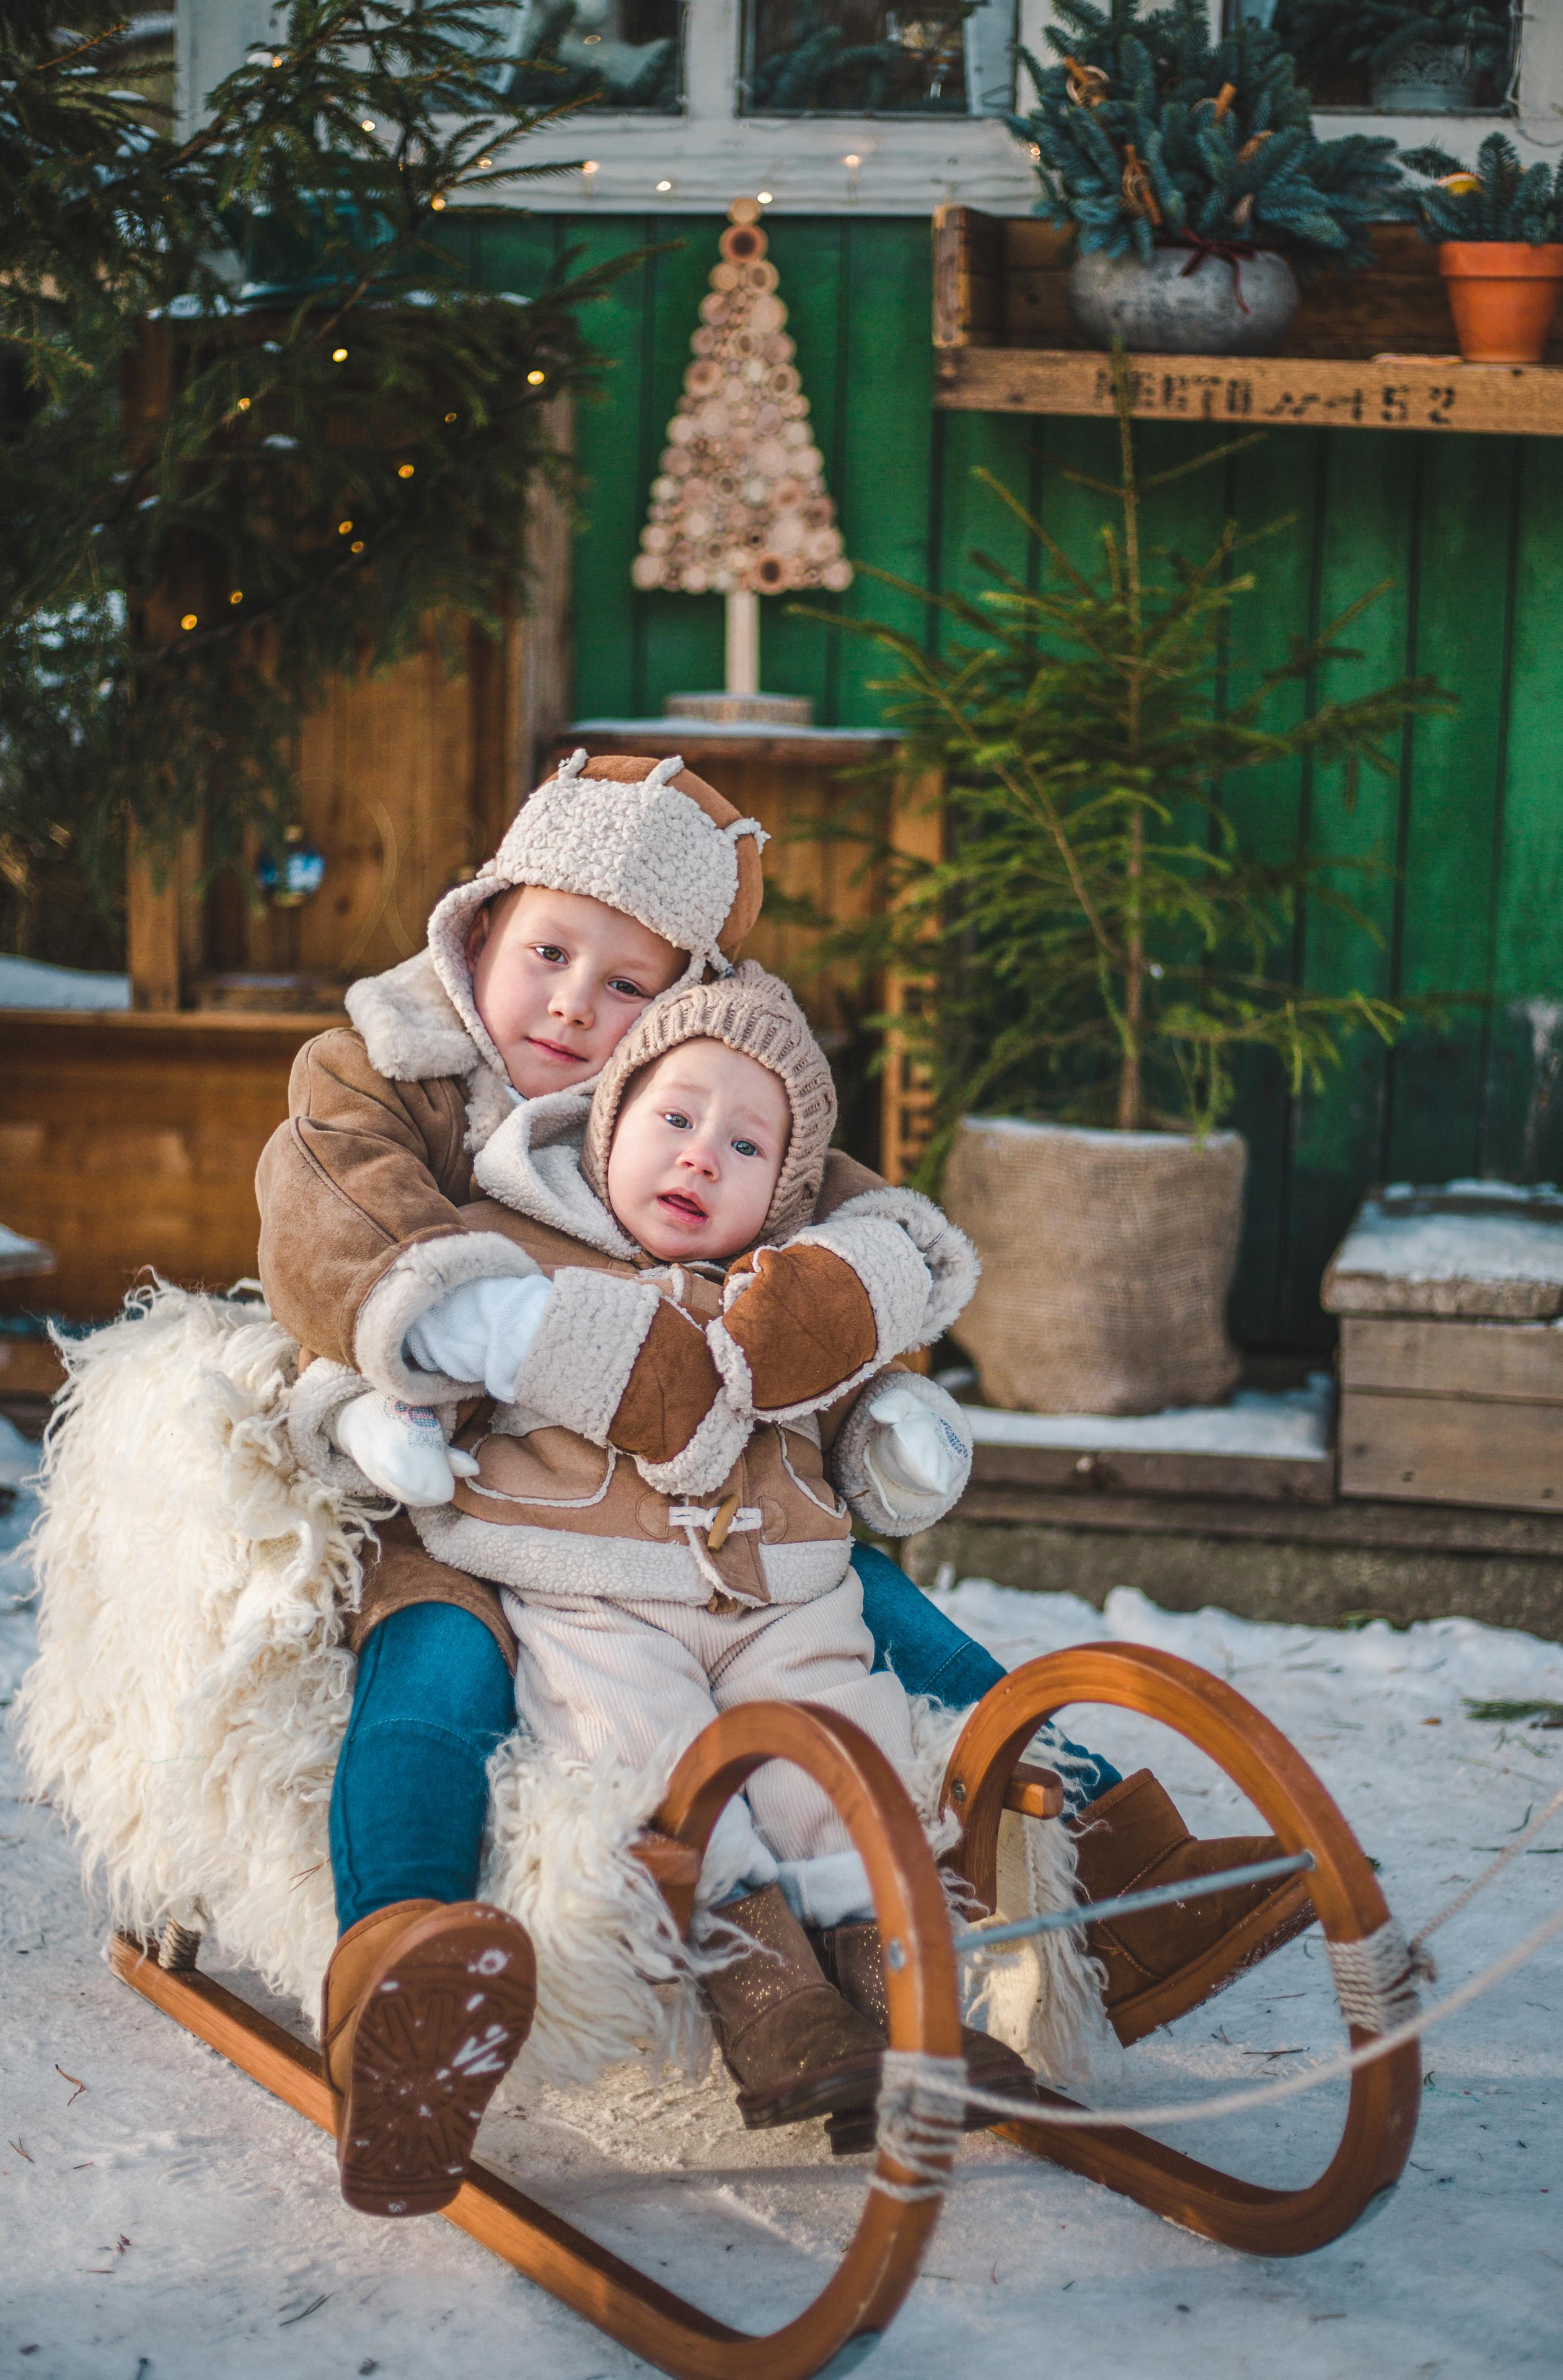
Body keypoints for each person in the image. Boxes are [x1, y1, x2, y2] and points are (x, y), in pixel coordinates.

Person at [257, 748, 1313, 2217]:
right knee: (434, 1673)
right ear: (478, 928)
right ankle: (406, 1982)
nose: (573, 1004)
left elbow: (826, 1205)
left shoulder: (687, 1099)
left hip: (706, 1504)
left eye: (627, 985)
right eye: (548, 952)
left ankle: (1102, 1866)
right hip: (466, 1484)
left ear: (683, 999)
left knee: (886, 1621)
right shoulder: (382, 1067)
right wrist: (465, 1339)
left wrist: (876, 1352)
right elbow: (332, 1234)